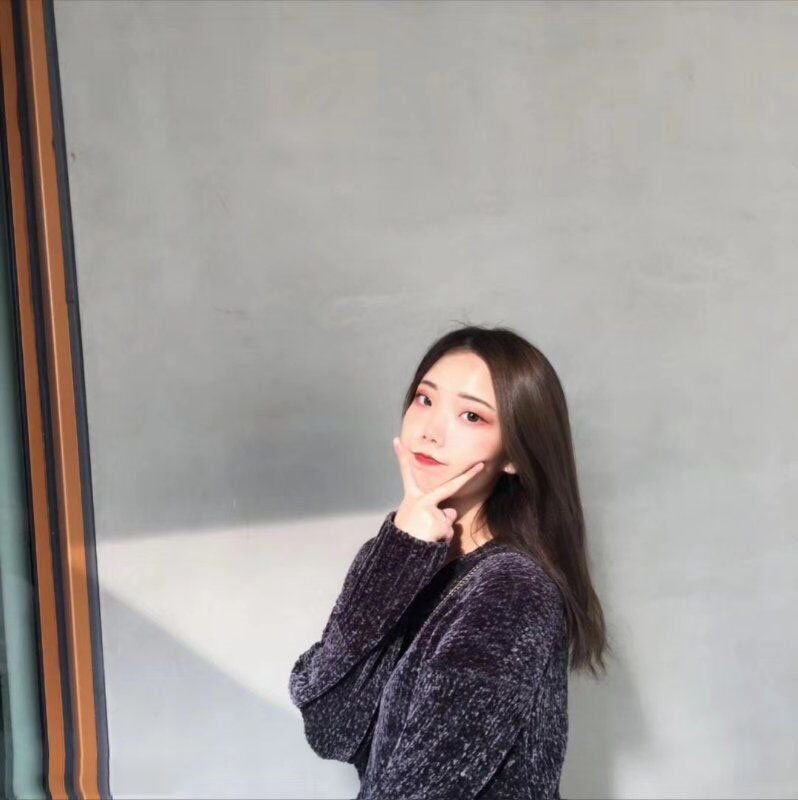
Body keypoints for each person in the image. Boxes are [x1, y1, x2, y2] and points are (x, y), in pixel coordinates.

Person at [288, 324, 609, 799]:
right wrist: (399, 552)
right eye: (425, 399)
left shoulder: (512, 590)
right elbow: (328, 726)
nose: (431, 431)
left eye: (471, 416)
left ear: (514, 455)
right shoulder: (400, 553)